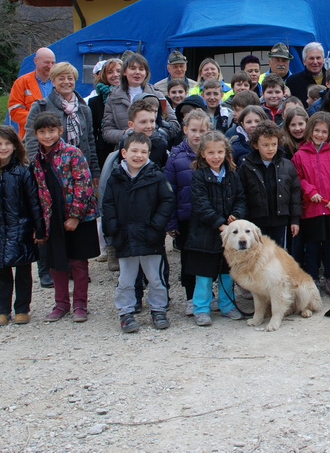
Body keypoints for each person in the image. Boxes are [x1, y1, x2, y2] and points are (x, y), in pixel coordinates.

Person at [29, 112, 101, 323]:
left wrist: (76, 216)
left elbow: (84, 185)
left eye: (51, 131)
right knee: (56, 263)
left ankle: (80, 304)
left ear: (60, 131)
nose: (47, 136)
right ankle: (61, 303)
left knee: (78, 263)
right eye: (42, 132)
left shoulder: (73, 153)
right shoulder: (36, 160)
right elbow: (36, 192)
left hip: (78, 218)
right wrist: (40, 224)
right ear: (35, 134)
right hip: (53, 219)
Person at [103, 133, 176, 333]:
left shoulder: (156, 176)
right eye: (134, 151)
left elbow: (167, 200)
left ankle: (158, 309)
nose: (138, 155)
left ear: (149, 154)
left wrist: (157, 226)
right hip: (125, 236)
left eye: (143, 152)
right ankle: (126, 312)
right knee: (126, 279)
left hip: (150, 236)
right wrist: (113, 228)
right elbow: (108, 204)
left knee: (156, 277)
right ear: (124, 153)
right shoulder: (115, 177)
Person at [0, 126, 45, 326]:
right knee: (2, 273)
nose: (3, 148)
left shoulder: (24, 172)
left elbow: (34, 202)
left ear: (15, 146)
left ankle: (22, 309)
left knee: (23, 272)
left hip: (22, 229)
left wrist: (39, 229)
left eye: (7, 143)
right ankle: (2, 311)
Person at [185, 131, 247, 325]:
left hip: (228, 234)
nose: (216, 156)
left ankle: (227, 305)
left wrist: (235, 216)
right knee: (204, 276)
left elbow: (241, 198)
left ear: (226, 153)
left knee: (227, 274)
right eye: (211, 152)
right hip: (205, 235)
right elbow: (201, 205)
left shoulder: (232, 175)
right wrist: (220, 224)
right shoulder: (199, 176)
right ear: (203, 154)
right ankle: (201, 308)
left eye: (220, 152)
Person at [293, 112, 330, 300]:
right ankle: (313, 280)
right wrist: (310, 191)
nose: (320, 135)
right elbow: (297, 179)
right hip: (311, 210)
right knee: (312, 248)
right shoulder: (299, 155)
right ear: (310, 130)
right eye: (317, 130)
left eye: (324, 132)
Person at [163, 109, 212, 316]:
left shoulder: (213, 153)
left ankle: (207, 296)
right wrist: (171, 222)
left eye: (202, 130)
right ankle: (191, 297)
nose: (197, 135)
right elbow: (169, 191)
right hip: (186, 217)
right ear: (185, 130)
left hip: (209, 217)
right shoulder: (175, 157)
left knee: (209, 258)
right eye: (193, 130)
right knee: (189, 259)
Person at [24, 62, 100, 177]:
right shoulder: (41, 106)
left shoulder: (84, 109)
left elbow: (90, 141)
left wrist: (94, 171)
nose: (66, 82)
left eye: (70, 78)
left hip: (80, 169)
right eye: (61, 78)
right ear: (53, 81)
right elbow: (31, 139)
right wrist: (36, 167)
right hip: (50, 170)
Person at [238, 121, 302, 256]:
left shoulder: (287, 165)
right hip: (256, 221)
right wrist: (245, 220)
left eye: (274, 144)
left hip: (280, 220)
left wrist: (295, 220)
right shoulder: (246, 167)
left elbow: (295, 194)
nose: (270, 148)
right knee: (257, 255)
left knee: (278, 255)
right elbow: (242, 195)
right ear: (256, 145)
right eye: (265, 145)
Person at [102, 52, 178, 146]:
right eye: (132, 68)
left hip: (153, 149)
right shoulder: (113, 97)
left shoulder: (157, 95)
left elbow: (174, 125)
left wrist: (155, 134)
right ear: (124, 72)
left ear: (146, 73)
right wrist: (126, 134)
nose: (137, 72)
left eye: (141, 69)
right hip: (126, 149)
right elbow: (107, 131)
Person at [8, 47, 55, 139]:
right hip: (30, 136)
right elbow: (14, 111)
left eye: (53, 63)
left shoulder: (59, 82)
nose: (50, 66)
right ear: (36, 61)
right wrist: (39, 120)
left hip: (55, 137)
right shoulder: (22, 82)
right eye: (46, 62)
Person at [87, 58, 122, 169]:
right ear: (104, 76)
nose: (115, 75)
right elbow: (92, 133)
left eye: (118, 71)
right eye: (110, 72)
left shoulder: (134, 96)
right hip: (104, 153)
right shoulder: (94, 102)